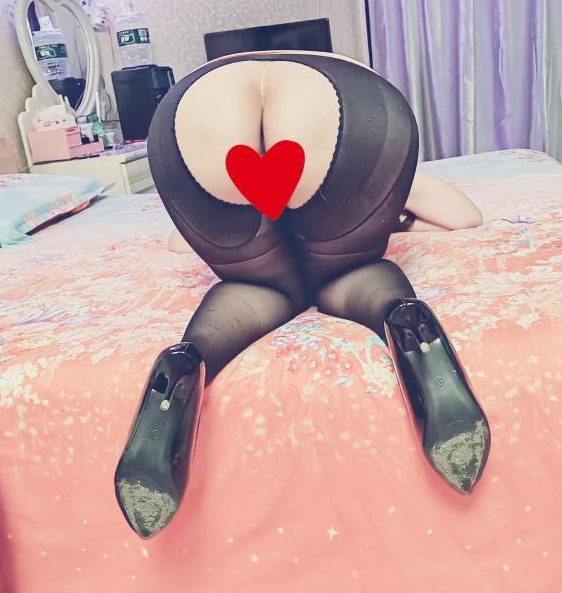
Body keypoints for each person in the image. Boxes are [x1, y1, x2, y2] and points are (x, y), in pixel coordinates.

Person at [114, 50, 490, 539]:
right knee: (347, 269)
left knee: (260, 282)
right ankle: (406, 321)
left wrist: (259, 232)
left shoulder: (220, 82)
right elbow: (464, 215)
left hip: (195, 111)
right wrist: (393, 217)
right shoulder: (329, 74)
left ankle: (186, 363)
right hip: (340, 104)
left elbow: (175, 240)